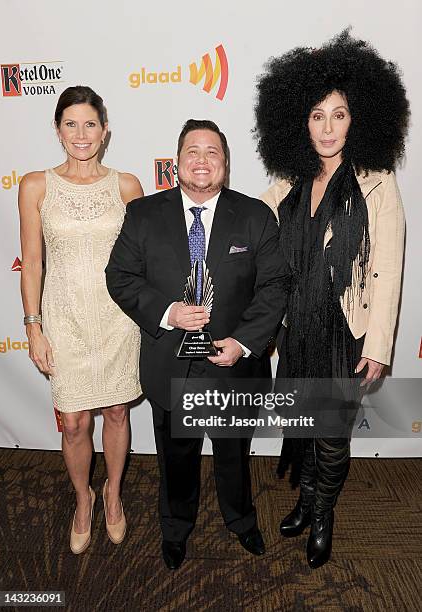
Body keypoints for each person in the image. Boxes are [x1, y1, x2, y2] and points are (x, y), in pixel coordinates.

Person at [255, 30, 409, 568]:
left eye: (338, 115)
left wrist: (380, 344)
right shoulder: (287, 184)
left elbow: (388, 270)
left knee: (331, 433)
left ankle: (323, 513)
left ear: (357, 118)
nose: (326, 128)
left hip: (346, 329)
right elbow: (251, 229)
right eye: (316, 115)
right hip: (297, 329)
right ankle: (304, 497)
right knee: (301, 418)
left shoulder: (376, 184)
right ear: (299, 121)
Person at [106, 119, 290, 569]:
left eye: (213, 152)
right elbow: (120, 276)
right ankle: (175, 529)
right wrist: (166, 312)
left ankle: (242, 520)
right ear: (176, 162)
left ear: (225, 164)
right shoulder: (144, 214)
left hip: (233, 366)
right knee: (175, 457)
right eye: (193, 151)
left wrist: (244, 343)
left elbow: (275, 285)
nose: (202, 160)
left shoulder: (254, 215)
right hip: (171, 363)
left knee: (234, 455)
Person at [19, 86, 143, 554]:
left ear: (105, 129)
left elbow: (143, 259)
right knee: (72, 422)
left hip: (117, 319)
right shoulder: (36, 185)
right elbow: (32, 263)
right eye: (70, 124)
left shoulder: (127, 185)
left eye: (90, 123)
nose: (81, 133)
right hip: (64, 319)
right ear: (57, 130)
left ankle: (112, 493)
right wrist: (33, 327)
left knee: (115, 410)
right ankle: (82, 497)